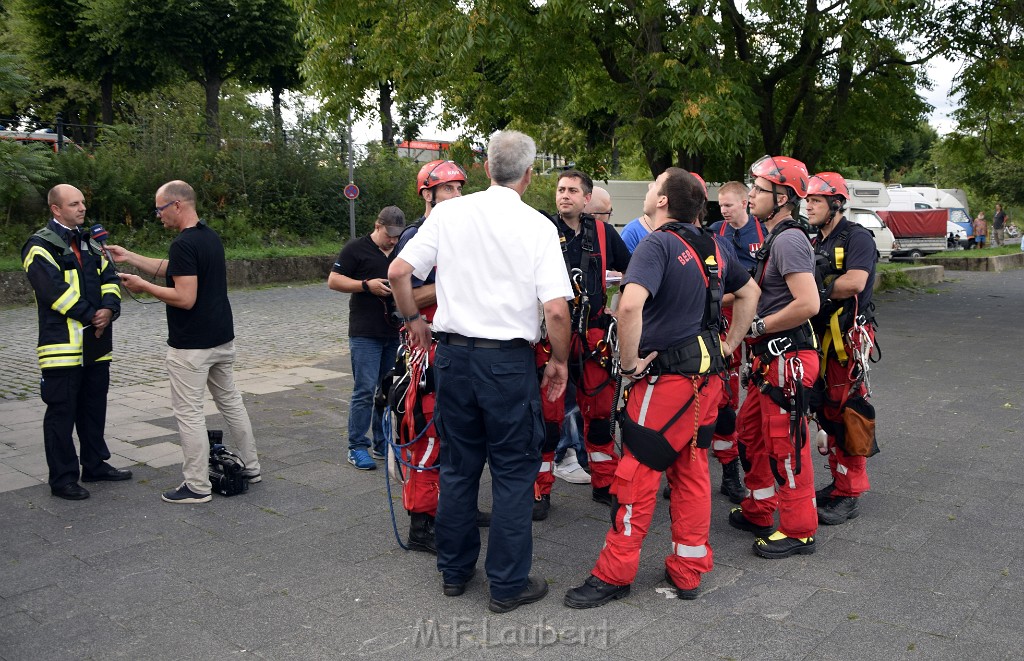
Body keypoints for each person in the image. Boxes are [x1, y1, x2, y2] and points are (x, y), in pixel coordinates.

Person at [389, 130, 572, 614]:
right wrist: (559, 360)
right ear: (529, 176)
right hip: (507, 363)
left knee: (458, 465)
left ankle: (453, 571)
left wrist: (413, 323)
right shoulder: (537, 226)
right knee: (513, 471)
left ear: (487, 169)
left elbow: (398, 272)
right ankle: (508, 584)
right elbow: (555, 310)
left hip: (453, 358)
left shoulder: (449, 212)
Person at [564, 168, 759, 608]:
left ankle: (614, 574)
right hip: (707, 381)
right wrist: (728, 345)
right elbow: (750, 293)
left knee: (635, 474)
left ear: (664, 201)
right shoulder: (715, 245)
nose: (649, 192)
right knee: (691, 473)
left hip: (666, 382)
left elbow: (630, 304)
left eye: (654, 187)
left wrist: (629, 364)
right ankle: (689, 569)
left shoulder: (658, 243)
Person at [111, 181, 261, 503]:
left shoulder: (183, 243)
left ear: (177, 205)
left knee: (189, 413)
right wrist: (131, 258)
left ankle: (197, 486)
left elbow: (184, 296)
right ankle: (251, 467)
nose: (158, 216)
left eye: (160, 209)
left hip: (192, 346)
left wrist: (143, 286)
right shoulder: (209, 237)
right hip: (221, 338)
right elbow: (179, 271)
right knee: (231, 402)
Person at [728, 155, 821, 559]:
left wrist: (759, 327)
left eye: (759, 189)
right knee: (750, 433)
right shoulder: (774, 237)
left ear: (782, 196)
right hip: (773, 361)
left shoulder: (788, 240)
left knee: (787, 444)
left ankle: (799, 530)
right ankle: (761, 508)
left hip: (788, 358)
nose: (750, 195)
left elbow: (808, 303)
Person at [532, 170, 631, 521]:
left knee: (602, 415)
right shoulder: (541, 230)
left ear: (587, 198)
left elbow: (633, 271)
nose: (565, 196)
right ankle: (539, 490)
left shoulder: (604, 234)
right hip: (552, 336)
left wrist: (620, 308)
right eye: (561, 190)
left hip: (594, 336)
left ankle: (604, 484)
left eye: (573, 190)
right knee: (548, 419)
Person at [22, 184, 130, 500]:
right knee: (61, 414)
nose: (82, 208)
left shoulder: (91, 242)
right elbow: (52, 291)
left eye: (82, 202)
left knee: (93, 409)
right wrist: (91, 315)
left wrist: (110, 309)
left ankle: (95, 465)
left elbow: (110, 277)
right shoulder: (39, 246)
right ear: (56, 209)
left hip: (95, 345)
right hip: (62, 347)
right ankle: (63, 478)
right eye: (74, 204)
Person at [392, 160, 466, 552]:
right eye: (449, 189)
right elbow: (404, 291)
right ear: (427, 194)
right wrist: (454, 281)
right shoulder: (416, 237)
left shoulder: (460, 234)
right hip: (425, 350)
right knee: (427, 435)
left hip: (457, 348)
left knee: (459, 436)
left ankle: (452, 510)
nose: (457, 196)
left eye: (459, 189)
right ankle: (422, 525)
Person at [806, 172, 879, 525]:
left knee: (848, 410)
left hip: (846, 341)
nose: (809, 206)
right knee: (827, 413)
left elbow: (855, 281)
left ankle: (850, 493)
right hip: (819, 340)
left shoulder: (857, 237)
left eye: (816, 201)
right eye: (807, 200)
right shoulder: (814, 240)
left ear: (836, 203)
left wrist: (813, 291)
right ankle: (838, 483)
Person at [327, 207, 406, 470]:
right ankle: (357, 446)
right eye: (389, 235)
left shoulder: (401, 250)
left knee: (388, 391)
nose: (393, 240)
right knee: (364, 390)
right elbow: (333, 281)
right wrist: (365, 285)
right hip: (364, 332)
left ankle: (383, 443)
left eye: (397, 236)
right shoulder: (355, 249)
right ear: (377, 225)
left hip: (394, 331)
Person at [704, 181, 765, 504]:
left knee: (737, 399)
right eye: (720, 205)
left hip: (753, 321)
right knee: (710, 399)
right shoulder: (715, 232)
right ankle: (714, 472)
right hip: (718, 319)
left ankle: (738, 471)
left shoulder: (764, 232)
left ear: (745, 203)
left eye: (729, 205)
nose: (724, 210)